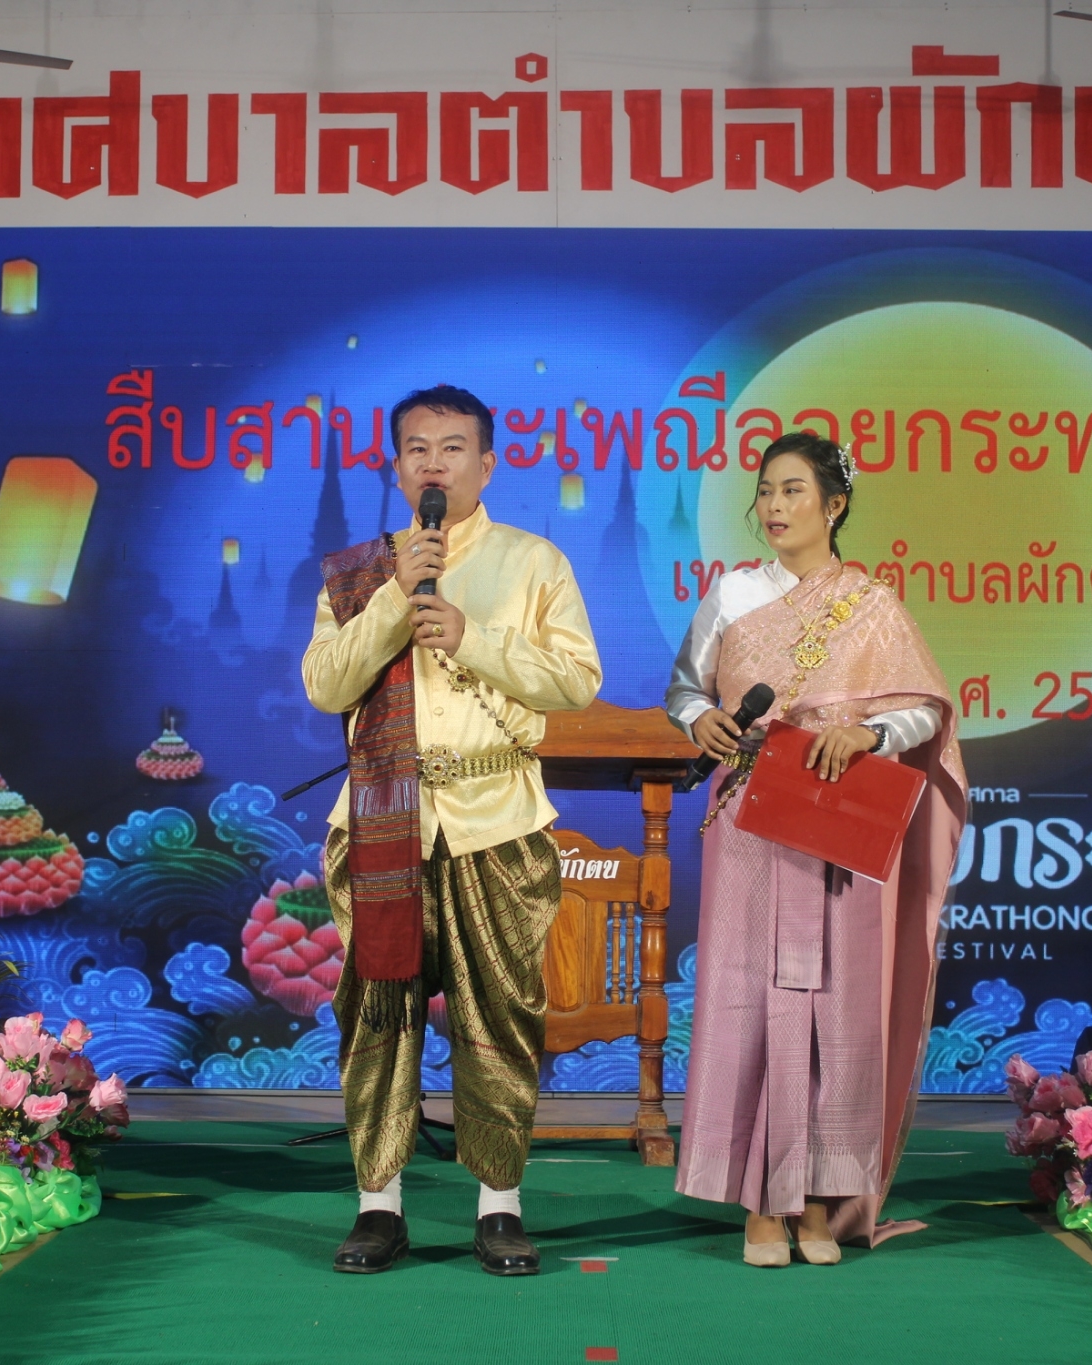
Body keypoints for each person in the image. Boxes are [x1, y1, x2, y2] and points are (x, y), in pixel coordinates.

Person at [301, 384, 602, 1276]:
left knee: (499, 1015)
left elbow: (578, 680)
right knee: (378, 1016)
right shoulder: (361, 572)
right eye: (418, 449)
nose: (434, 464)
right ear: (397, 467)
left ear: (487, 463)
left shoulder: (533, 561)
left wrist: (471, 635)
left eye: (453, 448)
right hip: (380, 820)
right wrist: (394, 601)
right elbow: (325, 683)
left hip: (496, 821)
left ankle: (500, 1205)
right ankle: (379, 1206)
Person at [666, 430, 967, 1267]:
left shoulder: (871, 604)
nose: (774, 506)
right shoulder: (731, 595)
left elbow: (925, 710)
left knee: (838, 1006)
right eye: (765, 491)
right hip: (752, 818)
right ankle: (762, 1203)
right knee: (750, 999)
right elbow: (684, 688)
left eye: (793, 490)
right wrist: (702, 719)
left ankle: (821, 1203)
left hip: (838, 820)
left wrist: (868, 731)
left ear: (835, 505)